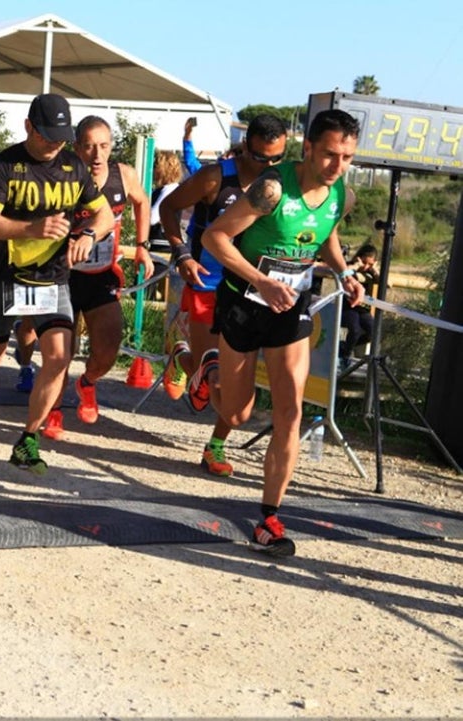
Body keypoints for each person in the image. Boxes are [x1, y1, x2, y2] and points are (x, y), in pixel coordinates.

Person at [200, 108, 362, 557]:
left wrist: (344, 270)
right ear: (307, 148)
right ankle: (211, 368)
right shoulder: (271, 188)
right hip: (245, 301)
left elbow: (324, 233)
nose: (337, 166)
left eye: (347, 157)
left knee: (290, 410)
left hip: (291, 308)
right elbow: (215, 239)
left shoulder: (340, 195)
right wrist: (260, 281)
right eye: (329, 154)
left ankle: (269, 517)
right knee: (236, 415)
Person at [0, 93, 113, 472]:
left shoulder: (73, 166)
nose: (54, 144)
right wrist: (32, 227)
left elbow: (104, 214)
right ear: (28, 127)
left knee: (60, 357)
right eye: (47, 136)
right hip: (5, 275)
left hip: (52, 278)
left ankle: (28, 438)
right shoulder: (6, 165)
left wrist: (88, 236)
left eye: (61, 136)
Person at [160, 114, 288, 476]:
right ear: (246, 146)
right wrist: (181, 253)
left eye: (276, 159)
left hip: (250, 290)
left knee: (234, 394)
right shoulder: (216, 176)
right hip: (208, 284)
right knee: (210, 373)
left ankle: (215, 445)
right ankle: (182, 358)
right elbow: (169, 208)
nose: (269, 166)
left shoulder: (281, 184)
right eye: (261, 158)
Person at [53, 115, 153, 437]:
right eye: (89, 146)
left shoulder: (123, 175)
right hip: (63, 275)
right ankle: (52, 409)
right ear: (76, 147)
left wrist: (141, 246)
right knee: (59, 354)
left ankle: (88, 382)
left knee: (108, 348)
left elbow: (142, 201)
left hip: (101, 275)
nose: (97, 155)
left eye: (104, 146)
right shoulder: (62, 174)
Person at [339, 243, 377, 365]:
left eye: (370, 264)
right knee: (354, 329)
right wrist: (356, 265)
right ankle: (344, 354)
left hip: (362, 309)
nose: (366, 267)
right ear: (358, 258)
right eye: (364, 262)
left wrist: (374, 270)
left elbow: (388, 284)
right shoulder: (350, 267)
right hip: (347, 306)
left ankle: (345, 346)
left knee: (373, 331)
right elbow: (344, 271)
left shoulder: (371, 272)